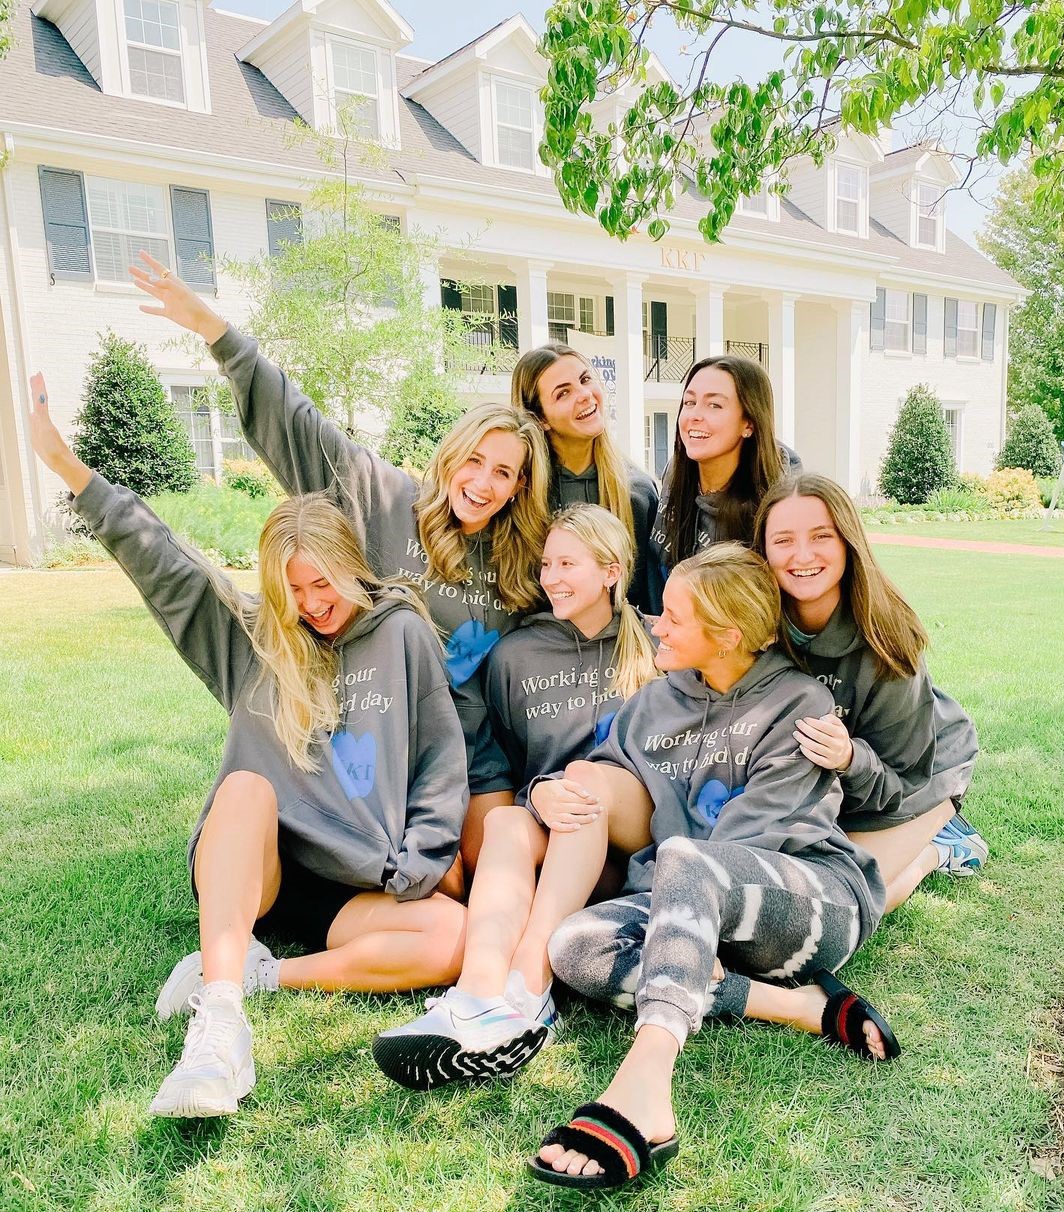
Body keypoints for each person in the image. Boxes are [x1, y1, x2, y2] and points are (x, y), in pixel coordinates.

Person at [28, 374, 470, 1119]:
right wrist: (71, 468)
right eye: (293, 590)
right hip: (259, 865)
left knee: (452, 939)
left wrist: (422, 857)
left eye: (323, 583)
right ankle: (220, 1029)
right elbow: (164, 562)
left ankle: (249, 975)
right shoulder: (253, 646)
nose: (313, 604)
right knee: (243, 787)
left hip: (355, 875)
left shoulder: (402, 633)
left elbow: (437, 759)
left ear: (350, 566)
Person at [529, 544, 895, 1191]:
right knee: (574, 946)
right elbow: (602, 764)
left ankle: (644, 1083)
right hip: (693, 903)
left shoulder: (798, 705)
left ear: (727, 635)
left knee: (685, 857)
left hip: (808, 904)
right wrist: (543, 791)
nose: (655, 625)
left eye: (672, 616)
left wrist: (679, 922)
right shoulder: (659, 699)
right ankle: (802, 1009)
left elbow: (744, 845)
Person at [130, 253, 549, 816]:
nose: (482, 483)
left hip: (474, 755)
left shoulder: (523, 562)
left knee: (491, 867)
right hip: (384, 741)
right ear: (451, 458)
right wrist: (217, 333)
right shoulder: (386, 499)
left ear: (520, 486)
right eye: (474, 461)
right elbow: (301, 427)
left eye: (503, 472)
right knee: (436, 878)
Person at [371, 504, 658, 1090]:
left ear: (610, 570)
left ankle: (530, 980)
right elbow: (501, 761)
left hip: (637, 830)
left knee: (582, 778)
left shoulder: (657, 641)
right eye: (547, 563)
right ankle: (478, 993)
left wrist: (563, 787)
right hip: (563, 840)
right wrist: (539, 792)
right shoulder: (514, 656)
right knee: (504, 825)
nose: (551, 576)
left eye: (568, 564)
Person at [754, 473, 985, 912]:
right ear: (763, 549)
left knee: (844, 902)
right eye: (783, 540)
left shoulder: (888, 641)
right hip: (822, 787)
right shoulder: (754, 626)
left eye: (821, 536)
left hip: (915, 777)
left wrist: (848, 758)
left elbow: (903, 777)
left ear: (848, 542)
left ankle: (942, 841)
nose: (802, 555)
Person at [513, 343, 663, 614]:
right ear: (540, 419)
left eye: (584, 380)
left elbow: (650, 597)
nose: (584, 395)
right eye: (563, 394)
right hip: (539, 646)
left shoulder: (637, 491)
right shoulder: (520, 492)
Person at [651, 354, 801, 577]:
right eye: (689, 402)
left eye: (714, 405)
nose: (694, 416)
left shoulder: (777, 503)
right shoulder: (675, 473)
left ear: (749, 423)